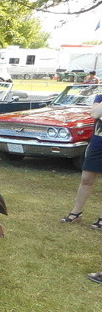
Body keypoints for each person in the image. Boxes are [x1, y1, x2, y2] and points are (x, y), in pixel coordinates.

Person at [61, 92, 102, 227]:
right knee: (86, 179)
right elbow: (95, 114)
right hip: (98, 143)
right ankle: (76, 213)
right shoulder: (100, 97)